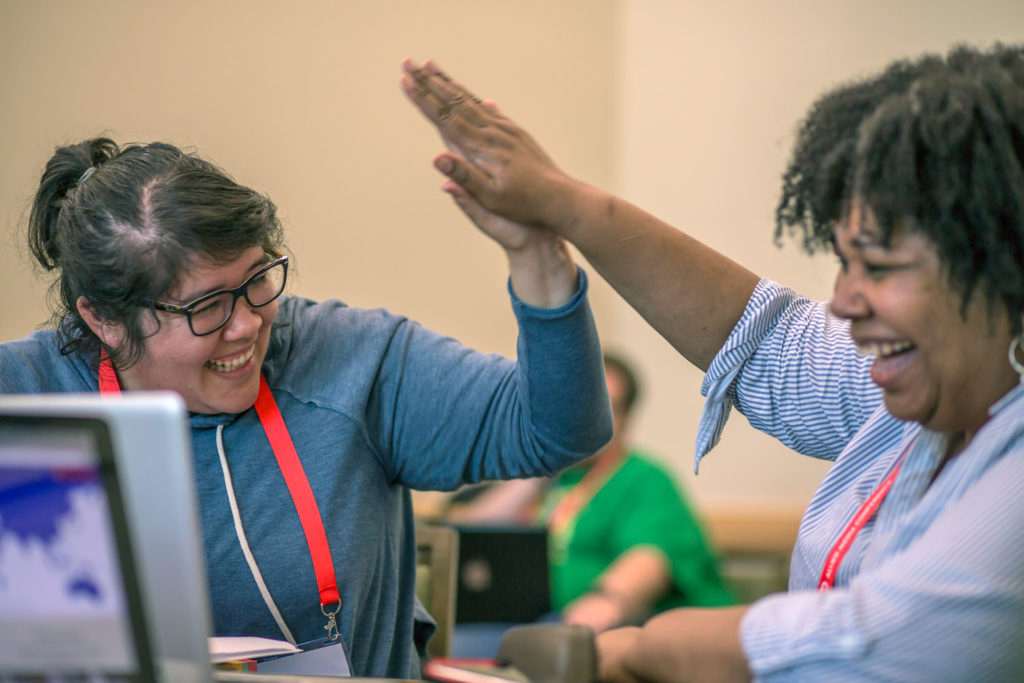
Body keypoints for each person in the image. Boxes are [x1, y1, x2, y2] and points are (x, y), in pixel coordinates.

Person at [402, 42, 1024, 681]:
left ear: (1004, 272)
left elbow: (876, 641)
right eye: (844, 263)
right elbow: (768, 338)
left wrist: (627, 652)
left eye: (880, 268)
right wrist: (561, 205)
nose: (842, 302)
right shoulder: (924, 383)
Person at [0, 137, 613, 678]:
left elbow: (561, 428)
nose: (245, 326)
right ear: (102, 318)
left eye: (258, 279)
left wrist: (538, 254)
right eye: (206, 306)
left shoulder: (352, 358)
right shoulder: (24, 393)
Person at [447, 352, 734, 636]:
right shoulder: (549, 478)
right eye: (572, 404)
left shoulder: (643, 478)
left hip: (600, 627)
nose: (583, 419)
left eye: (602, 408)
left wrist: (607, 601)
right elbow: (468, 535)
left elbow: (652, 558)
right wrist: (541, 468)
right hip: (518, 620)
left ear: (625, 419)